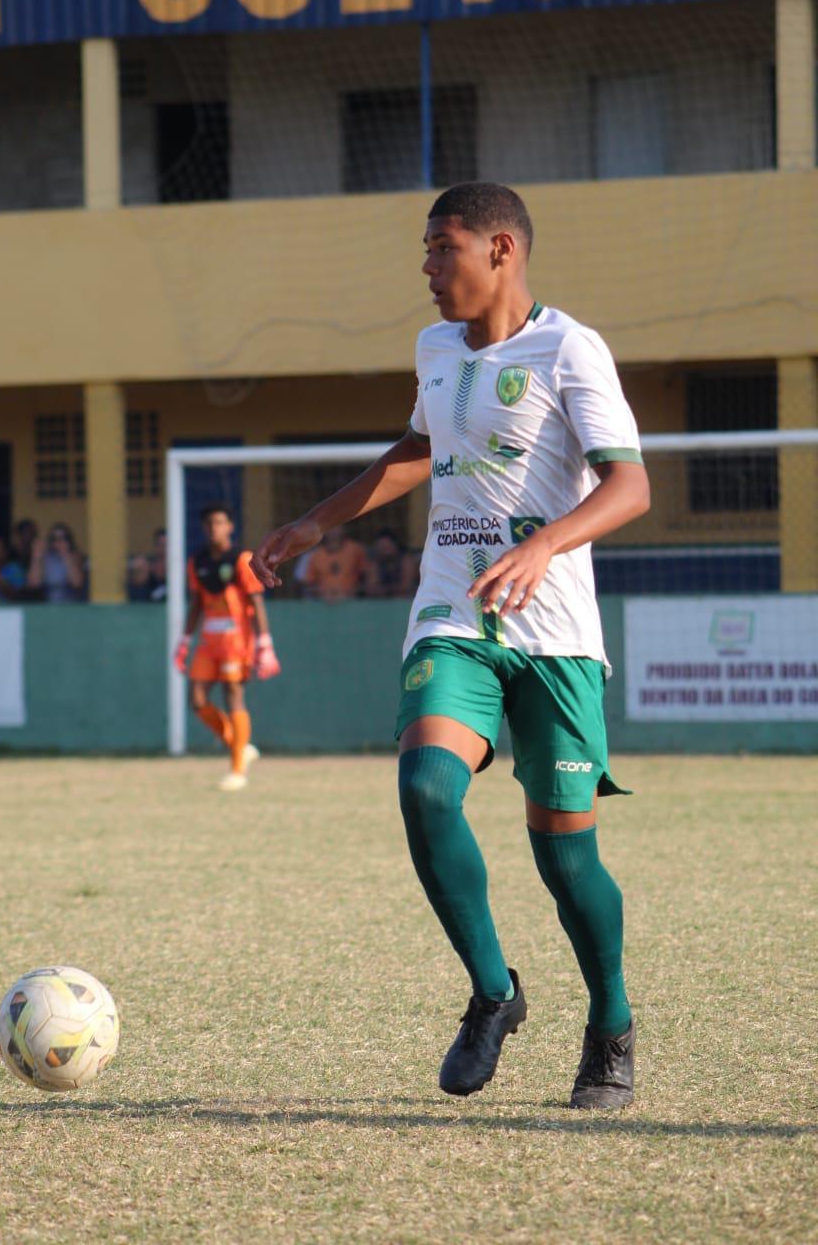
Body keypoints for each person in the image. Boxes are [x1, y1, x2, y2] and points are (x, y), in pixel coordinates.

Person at [253, 182, 650, 1108]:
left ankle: (612, 1024)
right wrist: (317, 521)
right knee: (427, 786)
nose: (429, 269)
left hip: (554, 638)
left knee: (567, 861)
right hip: (454, 617)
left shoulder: (569, 348)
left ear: (501, 250)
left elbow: (630, 487)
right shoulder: (435, 349)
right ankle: (494, 993)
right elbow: (417, 450)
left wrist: (543, 547)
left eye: (445, 248)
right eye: (427, 251)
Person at [174, 503, 281, 792]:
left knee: (233, 696)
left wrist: (265, 644)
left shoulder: (241, 560)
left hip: (237, 640)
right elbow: (197, 603)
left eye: (220, 523)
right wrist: (184, 641)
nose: (214, 529)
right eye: (210, 524)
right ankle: (239, 746)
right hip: (209, 642)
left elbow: (256, 602)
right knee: (197, 700)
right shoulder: (197, 561)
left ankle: (237, 771)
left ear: (230, 527)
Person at [303, 525, 368, 602]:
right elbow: (309, 585)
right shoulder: (316, 555)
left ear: (343, 529)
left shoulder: (355, 550)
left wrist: (353, 592)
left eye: (337, 526)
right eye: (330, 526)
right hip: (324, 603)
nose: (333, 530)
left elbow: (367, 578)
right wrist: (324, 594)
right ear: (323, 531)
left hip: (353, 601)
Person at [26, 522, 86, 602]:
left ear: (69, 540)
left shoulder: (75, 556)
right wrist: (36, 557)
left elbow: (77, 583)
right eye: (53, 538)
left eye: (62, 538)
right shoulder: (44, 557)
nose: (58, 541)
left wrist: (66, 555)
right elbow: (33, 584)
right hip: (48, 605)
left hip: (71, 604)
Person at [365, 528, 418, 598]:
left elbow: (407, 586)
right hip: (382, 601)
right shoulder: (375, 563)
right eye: (382, 547)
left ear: (395, 545)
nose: (384, 550)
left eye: (387, 546)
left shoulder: (406, 560)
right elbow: (370, 588)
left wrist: (385, 590)